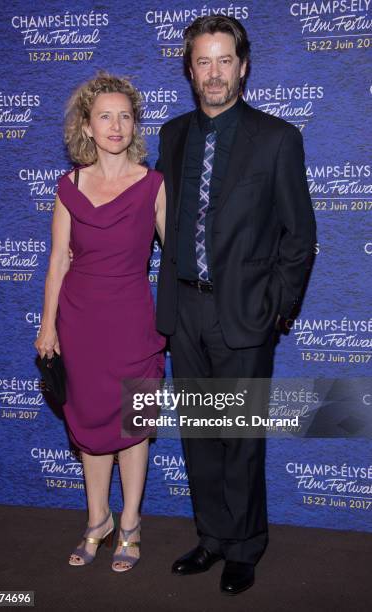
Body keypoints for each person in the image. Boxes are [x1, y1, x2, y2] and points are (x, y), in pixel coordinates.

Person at [156, 16, 316, 594]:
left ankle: (246, 548)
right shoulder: (172, 135)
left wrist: (279, 307)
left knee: (241, 440)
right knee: (200, 435)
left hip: (246, 316)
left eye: (225, 60)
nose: (215, 73)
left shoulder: (278, 138)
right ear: (190, 69)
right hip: (185, 312)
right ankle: (212, 539)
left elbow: (299, 236)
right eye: (204, 61)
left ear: (243, 67)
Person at [34, 71, 166, 572]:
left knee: (132, 425)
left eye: (125, 116)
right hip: (81, 322)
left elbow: (174, 257)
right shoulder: (69, 186)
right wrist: (48, 326)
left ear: (135, 124)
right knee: (90, 427)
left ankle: (130, 523)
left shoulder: (153, 184)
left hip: (133, 319)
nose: (116, 125)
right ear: (86, 127)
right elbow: (57, 263)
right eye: (105, 116)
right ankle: (97, 519)